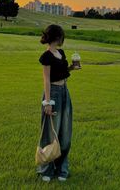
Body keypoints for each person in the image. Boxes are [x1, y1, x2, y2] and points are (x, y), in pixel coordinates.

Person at [36, 24, 81, 183]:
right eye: (62, 36)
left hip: (64, 92)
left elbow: (62, 73)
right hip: (53, 94)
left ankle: (62, 168)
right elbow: (47, 80)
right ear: (57, 37)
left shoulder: (60, 53)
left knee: (65, 133)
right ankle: (46, 169)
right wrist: (47, 102)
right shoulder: (46, 56)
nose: (63, 39)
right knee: (50, 132)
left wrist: (72, 68)